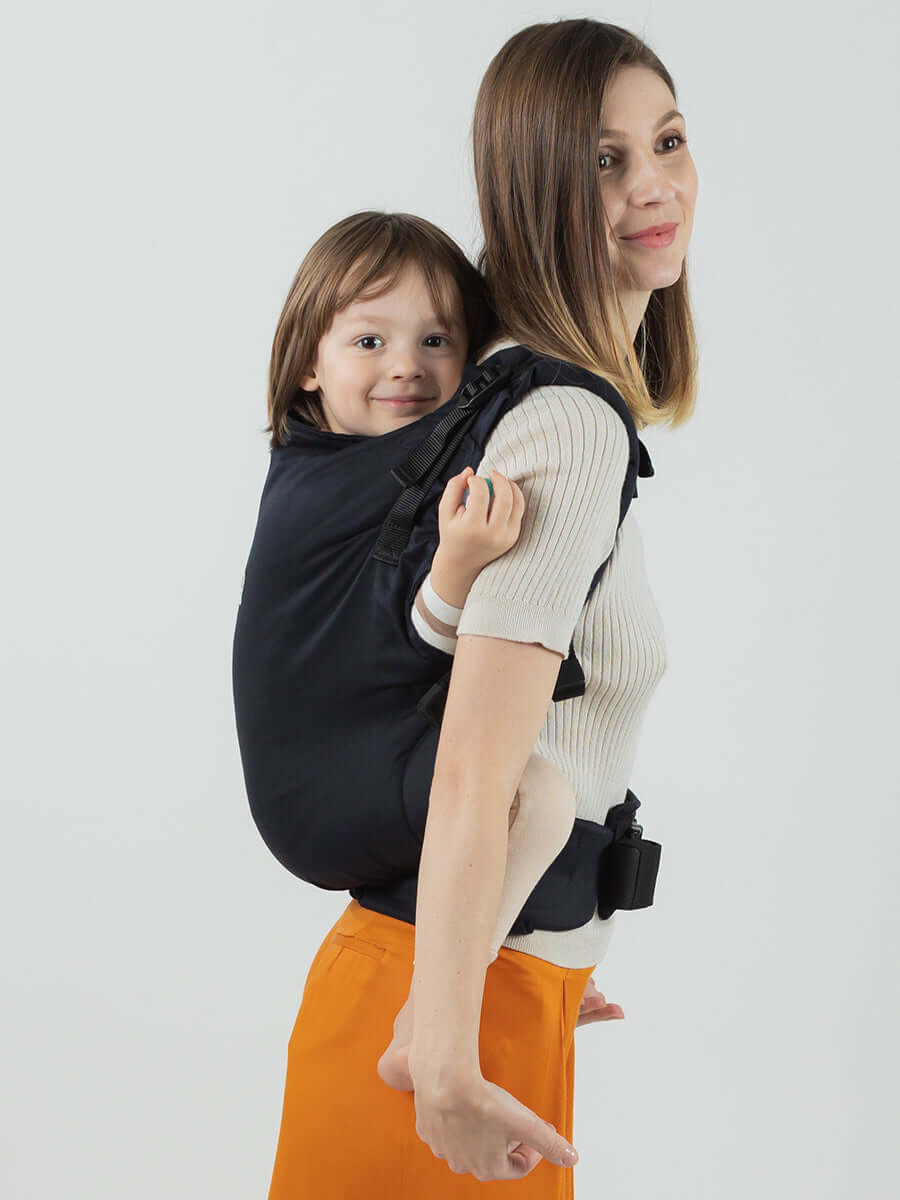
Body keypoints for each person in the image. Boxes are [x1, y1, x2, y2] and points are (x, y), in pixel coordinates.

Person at [263, 18, 698, 1196]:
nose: (654, 186)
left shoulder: (516, 389)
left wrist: (551, 949)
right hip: (442, 1025)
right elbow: (473, 770)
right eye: (604, 159)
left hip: (479, 989)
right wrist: (449, 1051)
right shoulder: (561, 423)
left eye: (667, 141)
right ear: (533, 181)